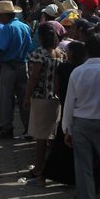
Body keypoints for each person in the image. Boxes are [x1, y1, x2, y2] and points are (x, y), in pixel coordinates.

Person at [62, 33, 100, 199]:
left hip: (81, 121)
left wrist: (66, 128)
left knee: (83, 167)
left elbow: (70, 102)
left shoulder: (78, 72)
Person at [22, 22, 65, 187]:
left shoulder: (38, 54)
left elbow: (33, 78)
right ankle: (50, 167)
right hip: (55, 97)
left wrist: (27, 96)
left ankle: (39, 168)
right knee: (51, 135)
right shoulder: (60, 53)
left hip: (41, 97)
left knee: (40, 136)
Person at [0, 1, 34, 138]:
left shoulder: (8, 28)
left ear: (4, 15)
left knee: (6, 99)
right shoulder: (25, 26)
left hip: (8, 66)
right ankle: (28, 128)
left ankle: (7, 128)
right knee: (23, 98)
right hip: (22, 65)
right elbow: (29, 47)